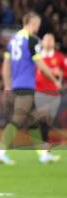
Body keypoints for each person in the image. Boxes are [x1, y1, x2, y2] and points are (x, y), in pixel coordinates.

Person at [0, 12, 61, 165]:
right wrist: (54, 80)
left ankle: (43, 154)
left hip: (17, 84)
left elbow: (6, 65)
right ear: (31, 23)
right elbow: (41, 65)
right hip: (26, 85)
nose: (38, 27)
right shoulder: (32, 40)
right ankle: (0, 151)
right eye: (37, 24)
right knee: (18, 119)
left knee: (34, 121)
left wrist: (8, 85)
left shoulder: (13, 40)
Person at [33, 33, 64, 163]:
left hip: (54, 94)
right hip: (40, 91)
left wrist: (61, 74)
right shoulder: (36, 57)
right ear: (42, 42)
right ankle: (44, 150)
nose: (49, 42)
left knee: (48, 121)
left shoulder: (59, 57)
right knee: (43, 118)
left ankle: (45, 150)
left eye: (51, 39)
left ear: (54, 42)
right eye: (46, 39)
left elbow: (64, 71)